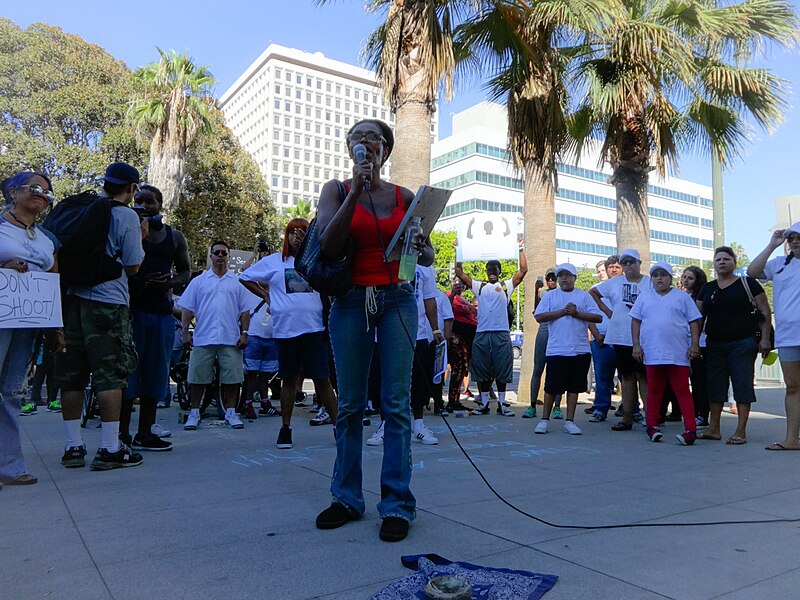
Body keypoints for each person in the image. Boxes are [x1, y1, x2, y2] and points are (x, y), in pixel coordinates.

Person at [313, 118, 433, 543]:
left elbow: (429, 257)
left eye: (375, 138)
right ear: (350, 148)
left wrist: (422, 244)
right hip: (350, 301)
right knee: (349, 404)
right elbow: (328, 244)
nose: (367, 143)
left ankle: (397, 504)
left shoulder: (403, 196)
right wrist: (358, 190)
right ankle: (346, 498)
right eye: (359, 137)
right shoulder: (337, 190)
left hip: (397, 298)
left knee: (396, 404)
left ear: (386, 149)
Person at [56, 162, 145, 471]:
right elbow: (133, 265)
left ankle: (72, 446)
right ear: (132, 188)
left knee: (73, 375)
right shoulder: (126, 216)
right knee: (110, 374)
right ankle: (109, 448)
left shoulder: (84, 208)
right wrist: (141, 236)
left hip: (72, 300)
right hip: (108, 303)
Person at [239, 219, 339, 449]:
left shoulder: (316, 260)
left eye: (302, 232)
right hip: (285, 332)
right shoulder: (275, 261)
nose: (296, 236)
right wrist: (266, 296)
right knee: (289, 380)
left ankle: (338, 427)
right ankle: (285, 429)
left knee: (323, 380)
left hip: (314, 329)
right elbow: (244, 277)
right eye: (292, 232)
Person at [0, 171, 59, 486]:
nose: (42, 194)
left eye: (47, 191)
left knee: (12, 392)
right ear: (12, 191)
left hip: (26, 324)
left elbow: (53, 283)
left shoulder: (48, 240)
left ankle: (10, 466)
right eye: (35, 188)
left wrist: (56, 328)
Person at [120, 184, 190, 452]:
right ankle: (122, 433)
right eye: (139, 200)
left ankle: (145, 432)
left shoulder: (175, 237)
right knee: (130, 373)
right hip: (133, 311)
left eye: (150, 201)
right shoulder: (128, 231)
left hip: (161, 312)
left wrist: (169, 282)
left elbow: (186, 272)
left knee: (156, 374)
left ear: (160, 204)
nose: (144, 205)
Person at [696, 246, 771, 445]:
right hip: (714, 344)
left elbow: (764, 312)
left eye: (726, 259)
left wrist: (764, 339)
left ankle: (740, 430)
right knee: (715, 387)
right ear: (714, 263)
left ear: (734, 263)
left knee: (742, 386)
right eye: (718, 259)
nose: (722, 262)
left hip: (743, 343)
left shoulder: (749, 284)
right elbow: (697, 318)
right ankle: (714, 428)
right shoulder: (707, 288)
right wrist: (695, 343)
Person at [179, 241, 251, 431]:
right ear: (210, 256)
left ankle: (231, 412)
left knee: (232, 378)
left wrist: (245, 333)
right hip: (203, 338)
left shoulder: (237, 282)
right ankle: (194, 412)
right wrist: (185, 331)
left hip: (230, 338)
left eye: (224, 253)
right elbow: (188, 309)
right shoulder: (199, 282)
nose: (220, 256)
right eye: (216, 253)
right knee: (197, 377)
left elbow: (245, 311)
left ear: (228, 257)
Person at [630, 262, 703, 445]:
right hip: (653, 353)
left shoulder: (682, 297)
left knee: (682, 391)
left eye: (663, 275)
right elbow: (636, 322)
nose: (659, 278)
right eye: (655, 275)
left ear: (671, 278)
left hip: (678, 354)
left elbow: (694, 321)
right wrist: (636, 345)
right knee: (654, 391)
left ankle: (690, 430)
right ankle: (652, 426)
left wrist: (694, 345)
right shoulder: (644, 297)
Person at [454, 240, 527, 416]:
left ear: (499, 272)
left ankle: (502, 404)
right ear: (486, 272)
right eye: (489, 269)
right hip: (482, 334)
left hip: (501, 334)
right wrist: (459, 251)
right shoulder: (480, 287)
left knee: (502, 369)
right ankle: (484, 404)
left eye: (495, 270)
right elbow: (459, 272)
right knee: (482, 369)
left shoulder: (505, 287)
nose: (492, 272)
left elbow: (523, 270)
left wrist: (520, 248)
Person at [533, 264, 602, 434]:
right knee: (551, 387)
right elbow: (539, 316)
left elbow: (597, 317)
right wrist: (563, 312)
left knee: (574, 387)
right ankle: (544, 420)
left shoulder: (584, 296)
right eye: (561, 275)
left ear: (575, 278)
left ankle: (570, 421)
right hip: (556, 349)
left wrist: (577, 313)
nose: (564, 278)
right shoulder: (550, 296)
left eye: (568, 275)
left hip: (580, 349)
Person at [749, 226, 800, 450]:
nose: (796, 241)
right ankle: (792, 439)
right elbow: (752, 271)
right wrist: (773, 244)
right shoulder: (779, 263)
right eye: (792, 238)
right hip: (788, 336)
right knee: (792, 387)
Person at [590, 249, 649, 431]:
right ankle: (627, 417)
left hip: (644, 337)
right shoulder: (614, 283)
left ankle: (650, 416)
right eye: (625, 262)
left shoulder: (649, 282)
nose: (629, 265)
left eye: (632, 262)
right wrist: (609, 313)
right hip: (621, 337)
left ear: (639, 263)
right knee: (627, 378)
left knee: (644, 377)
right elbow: (593, 292)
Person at [407, 264, 444, 442]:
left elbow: (429, 299)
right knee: (388, 379)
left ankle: (419, 424)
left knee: (419, 382)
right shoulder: (389, 255)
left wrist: (435, 329)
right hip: (388, 332)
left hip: (419, 333)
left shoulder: (424, 267)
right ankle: (385, 425)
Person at [586, 255, 623, 422]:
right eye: (611, 267)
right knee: (602, 377)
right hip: (602, 339)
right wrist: (596, 334)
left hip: (624, 340)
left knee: (627, 377)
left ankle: (632, 409)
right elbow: (589, 315)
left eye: (617, 266)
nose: (613, 269)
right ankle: (601, 409)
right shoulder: (596, 289)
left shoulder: (629, 287)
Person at [679, 266, 709, 427]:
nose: (685, 280)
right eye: (684, 277)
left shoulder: (700, 297)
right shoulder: (682, 296)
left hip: (701, 343)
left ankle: (702, 414)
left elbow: (698, 321)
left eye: (690, 278)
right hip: (684, 343)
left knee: (700, 381)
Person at [526, 268, 557, 419]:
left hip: (557, 332)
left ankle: (557, 407)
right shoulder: (543, 293)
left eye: (554, 278)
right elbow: (537, 313)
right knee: (538, 368)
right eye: (549, 278)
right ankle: (532, 405)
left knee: (557, 370)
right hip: (544, 330)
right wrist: (535, 291)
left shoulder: (563, 293)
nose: (551, 281)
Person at [445, 278, 477, 413]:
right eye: (457, 283)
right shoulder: (448, 295)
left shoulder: (464, 300)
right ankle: (452, 401)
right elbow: (446, 309)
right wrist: (452, 294)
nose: (460, 286)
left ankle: (456, 400)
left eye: (462, 284)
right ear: (452, 283)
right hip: (456, 336)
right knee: (458, 367)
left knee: (462, 368)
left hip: (467, 338)